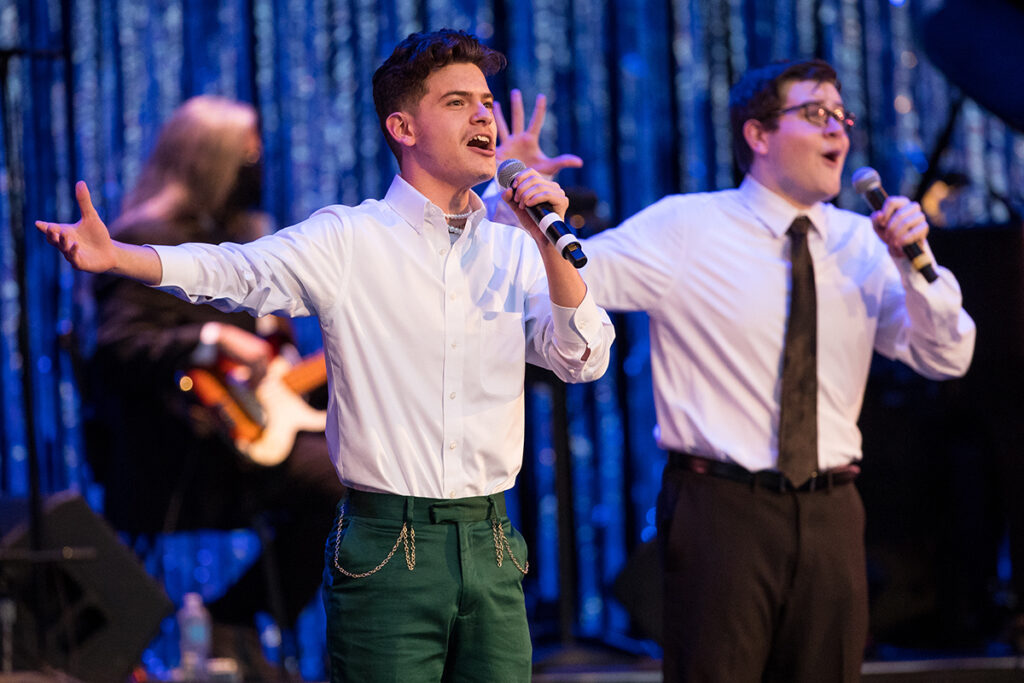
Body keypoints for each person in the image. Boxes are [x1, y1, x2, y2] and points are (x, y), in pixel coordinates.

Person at [37, 29, 615, 683]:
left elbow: (583, 355)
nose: (483, 114)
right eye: (458, 102)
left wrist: (546, 241)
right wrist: (120, 255)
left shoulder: (516, 251)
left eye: (485, 102)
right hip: (388, 543)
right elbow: (238, 271)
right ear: (402, 125)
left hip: (494, 542)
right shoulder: (350, 237)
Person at [494, 60, 976, 681]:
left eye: (842, 116)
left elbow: (947, 356)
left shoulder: (864, 244)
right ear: (757, 134)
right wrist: (518, 208)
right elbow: (569, 278)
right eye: (815, 113)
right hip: (722, 509)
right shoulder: (689, 226)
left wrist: (915, 265)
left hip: (833, 511)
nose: (838, 131)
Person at [84, 95, 343, 679]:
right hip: (180, 454)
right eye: (246, 152)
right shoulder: (146, 239)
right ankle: (237, 618)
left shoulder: (247, 239)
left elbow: (278, 369)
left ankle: (245, 626)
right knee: (339, 482)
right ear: (211, 160)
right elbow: (117, 351)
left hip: (252, 440)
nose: (259, 163)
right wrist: (211, 338)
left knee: (366, 462)